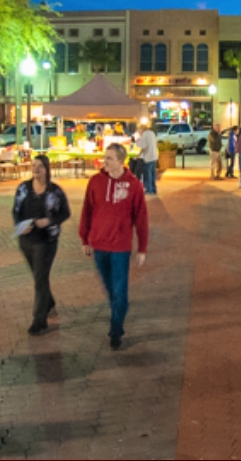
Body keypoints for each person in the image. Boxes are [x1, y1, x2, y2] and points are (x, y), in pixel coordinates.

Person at [79, 143, 149, 351]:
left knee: (119, 291)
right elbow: (87, 211)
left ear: (121, 161)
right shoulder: (95, 182)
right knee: (110, 289)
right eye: (105, 157)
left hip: (120, 247)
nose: (105, 161)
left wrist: (142, 248)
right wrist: (85, 239)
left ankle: (115, 328)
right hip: (99, 245)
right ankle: (118, 313)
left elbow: (141, 218)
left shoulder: (134, 185)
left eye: (109, 158)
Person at [13, 155, 72, 335]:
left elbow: (65, 213)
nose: (36, 169)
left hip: (46, 240)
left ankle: (39, 320)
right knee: (39, 276)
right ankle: (49, 301)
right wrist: (19, 226)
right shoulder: (23, 189)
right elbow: (16, 211)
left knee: (40, 279)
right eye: (34, 166)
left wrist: (50, 221)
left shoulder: (55, 191)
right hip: (27, 240)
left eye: (40, 166)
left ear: (47, 169)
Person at [136, 123, 159, 195]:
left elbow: (143, 146)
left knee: (147, 174)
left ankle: (148, 190)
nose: (139, 132)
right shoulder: (152, 133)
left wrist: (138, 140)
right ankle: (153, 189)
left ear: (142, 129)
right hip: (154, 156)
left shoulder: (144, 135)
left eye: (139, 130)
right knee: (152, 174)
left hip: (148, 158)